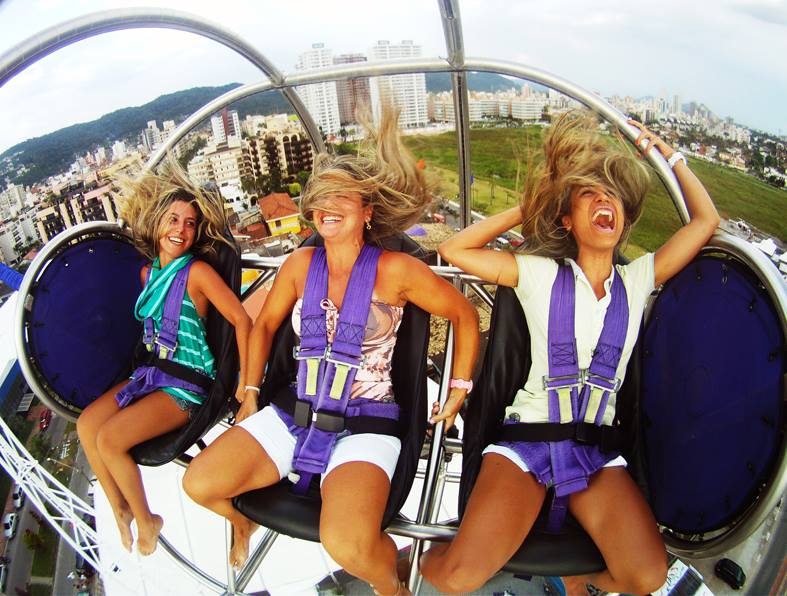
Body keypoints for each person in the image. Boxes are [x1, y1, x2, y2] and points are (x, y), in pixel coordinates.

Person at [183, 107, 479, 596]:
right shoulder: (300, 265)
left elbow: (465, 315)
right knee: (200, 484)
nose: (328, 207)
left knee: (347, 545)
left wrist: (459, 388)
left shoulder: (397, 271)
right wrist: (251, 391)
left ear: (367, 211)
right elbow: (264, 324)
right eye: (321, 198)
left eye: (342, 197)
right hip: (297, 408)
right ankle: (242, 520)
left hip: (367, 420)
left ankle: (391, 585)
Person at [420, 113, 720, 595]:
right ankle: (420, 559)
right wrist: (528, 208)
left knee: (645, 577)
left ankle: (577, 576)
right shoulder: (539, 273)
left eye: (613, 197)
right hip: (529, 441)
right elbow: (456, 249)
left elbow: (706, 222)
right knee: (458, 578)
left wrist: (669, 157)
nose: (604, 201)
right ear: (567, 220)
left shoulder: (637, 279)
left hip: (596, 451)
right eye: (589, 195)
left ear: (622, 221)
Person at [76, 164, 251, 556]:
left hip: (185, 384)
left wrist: (243, 382)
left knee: (110, 440)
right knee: (87, 425)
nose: (181, 230)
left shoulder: (197, 273)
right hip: (152, 374)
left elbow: (242, 320)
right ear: (157, 224)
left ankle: (147, 519)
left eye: (190, 223)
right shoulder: (148, 274)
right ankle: (121, 508)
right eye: (173, 219)